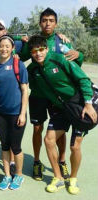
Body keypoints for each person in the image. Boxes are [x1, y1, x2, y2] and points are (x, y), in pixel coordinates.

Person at [19, 7, 84, 181]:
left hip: (58, 97)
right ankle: (37, 161)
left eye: (51, 20)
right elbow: (20, 56)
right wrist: (22, 41)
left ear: (56, 23)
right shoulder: (34, 41)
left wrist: (80, 54)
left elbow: (76, 62)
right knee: (37, 128)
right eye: (44, 20)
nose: (47, 23)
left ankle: (62, 161)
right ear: (40, 23)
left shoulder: (62, 41)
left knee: (58, 131)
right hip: (39, 94)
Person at [27, 35, 97, 194]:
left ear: (46, 48)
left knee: (75, 145)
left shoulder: (60, 60)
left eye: (41, 50)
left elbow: (84, 80)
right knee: (49, 140)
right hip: (61, 107)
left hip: (78, 103)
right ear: (31, 53)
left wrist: (88, 103)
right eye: (34, 51)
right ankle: (58, 177)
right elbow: (21, 82)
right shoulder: (33, 69)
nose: (38, 54)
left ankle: (73, 178)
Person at [0, 19, 25, 174]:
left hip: (12, 104)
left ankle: (13, 163)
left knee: (12, 139)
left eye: (0, 28)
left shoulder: (17, 46)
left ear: (5, 30)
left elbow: (34, 44)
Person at [0, 35, 28, 190]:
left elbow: (24, 90)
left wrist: (22, 113)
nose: (4, 49)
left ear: (13, 48)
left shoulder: (18, 65)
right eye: (1, 46)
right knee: (5, 147)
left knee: (16, 146)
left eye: (7, 46)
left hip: (16, 113)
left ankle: (18, 175)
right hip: (1, 114)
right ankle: (7, 175)